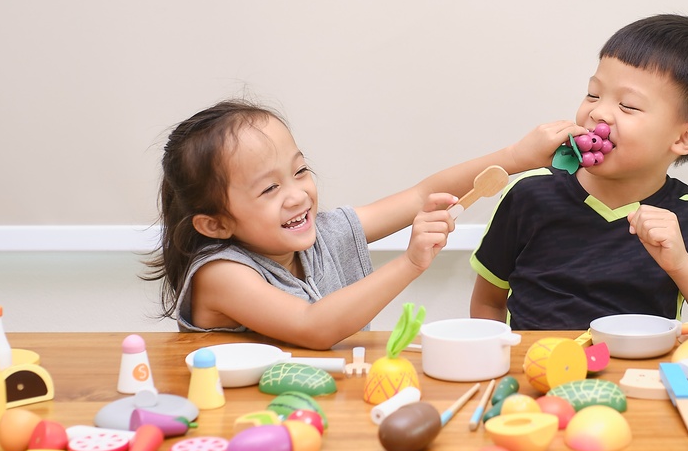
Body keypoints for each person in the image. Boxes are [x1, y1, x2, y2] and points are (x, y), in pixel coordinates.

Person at [144, 99, 582, 349]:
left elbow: (417, 196)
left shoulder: (323, 236)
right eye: (268, 189)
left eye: (299, 172)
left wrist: (516, 157)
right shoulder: (221, 274)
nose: (297, 194)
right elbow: (313, 327)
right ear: (215, 225)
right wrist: (410, 262)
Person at [469, 14, 688, 331]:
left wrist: (680, 264)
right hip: (536, 373)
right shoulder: (528, 193)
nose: (597, 112)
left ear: (683, 138)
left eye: (628, 106)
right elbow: (488, 302)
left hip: (637, 376)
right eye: (593, 94)